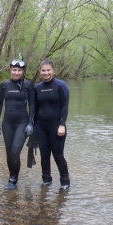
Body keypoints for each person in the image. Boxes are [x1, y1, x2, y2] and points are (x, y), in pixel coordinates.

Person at [0, 58, 35, 189]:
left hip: (22, 122)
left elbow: (33, 104)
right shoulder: (4, 85)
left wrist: (30, 123)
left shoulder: (28, 85)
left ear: (23, 71)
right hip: (7, 123)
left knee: (15, 150)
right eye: (14, 70)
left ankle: (13, 178)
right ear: (10, 70)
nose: (16, 73)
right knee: (9, 152)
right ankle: (11, 176)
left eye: (19, 70)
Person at [34, 59, 70, 191]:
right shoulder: (37, 88)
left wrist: (62, 124)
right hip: (41, 126)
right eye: (43, 70)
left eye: (48, 70)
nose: (46, 73)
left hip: (57, 126)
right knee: (44, 155)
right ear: (40, 72)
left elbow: (65, 106)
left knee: (58, 155)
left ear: (53, 70)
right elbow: (35, 109)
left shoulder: (61, 86)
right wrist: (33, 126)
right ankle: (46, 179)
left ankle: (65, 181)